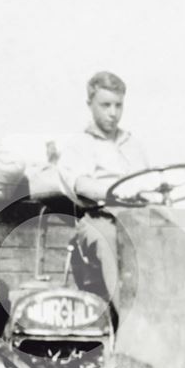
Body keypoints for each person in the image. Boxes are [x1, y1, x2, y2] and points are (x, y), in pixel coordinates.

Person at [57, 71, 150, 300]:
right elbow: (80, 183)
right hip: (99, 219)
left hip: (136, 218)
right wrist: (115, 193)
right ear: (90, 104)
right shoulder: (81, 144)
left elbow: (147, 182)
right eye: (106, 105)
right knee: (111, 245)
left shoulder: (132, 144)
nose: (113, 113)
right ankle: (124, 316)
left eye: (118, 105)